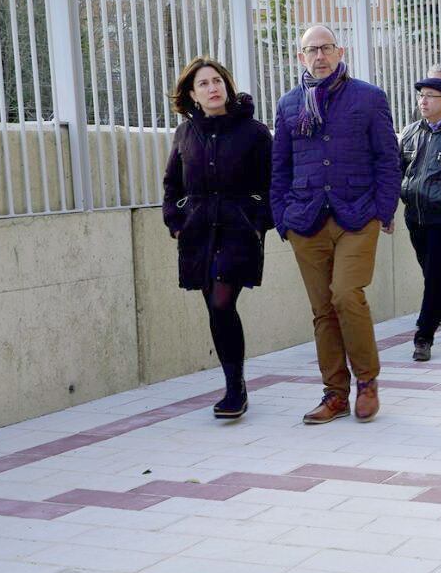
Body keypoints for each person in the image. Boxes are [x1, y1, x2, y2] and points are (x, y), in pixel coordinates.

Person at [271, 25, 401, 424]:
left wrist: (383, 208)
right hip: (305, 220)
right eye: (311, 50)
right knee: (322, 309)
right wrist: (282, 217)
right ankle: (334, 393)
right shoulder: (290, 104)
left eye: (326, 48)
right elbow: (280, 165)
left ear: (340, 50)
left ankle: (367, 381)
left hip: (356, 215)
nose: (320, 56)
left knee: (346, 294)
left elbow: (387, 158)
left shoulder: (369, 97)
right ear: (300, 57)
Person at [162, 58, 272, 420]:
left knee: (223, 301)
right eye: (203, 84)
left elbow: (272, 183)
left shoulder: (254, 132)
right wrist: (175, 222)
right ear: (192, 95)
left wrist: (258, 222)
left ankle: (234, 388)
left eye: (217, 81)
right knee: (214, 306)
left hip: (238, 230)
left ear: (226, 85)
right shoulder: (185, 134)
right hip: (197, 232)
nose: (212, 88)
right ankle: (234, 383)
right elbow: (172, 184)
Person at [399, 76, 441, 361]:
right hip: (415, 214)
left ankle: (423, 336)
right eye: (421, 96)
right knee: (431, 273)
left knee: (434, 274)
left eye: (430, 96)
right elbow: (398, 169)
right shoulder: (411, 131)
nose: (423, 102)